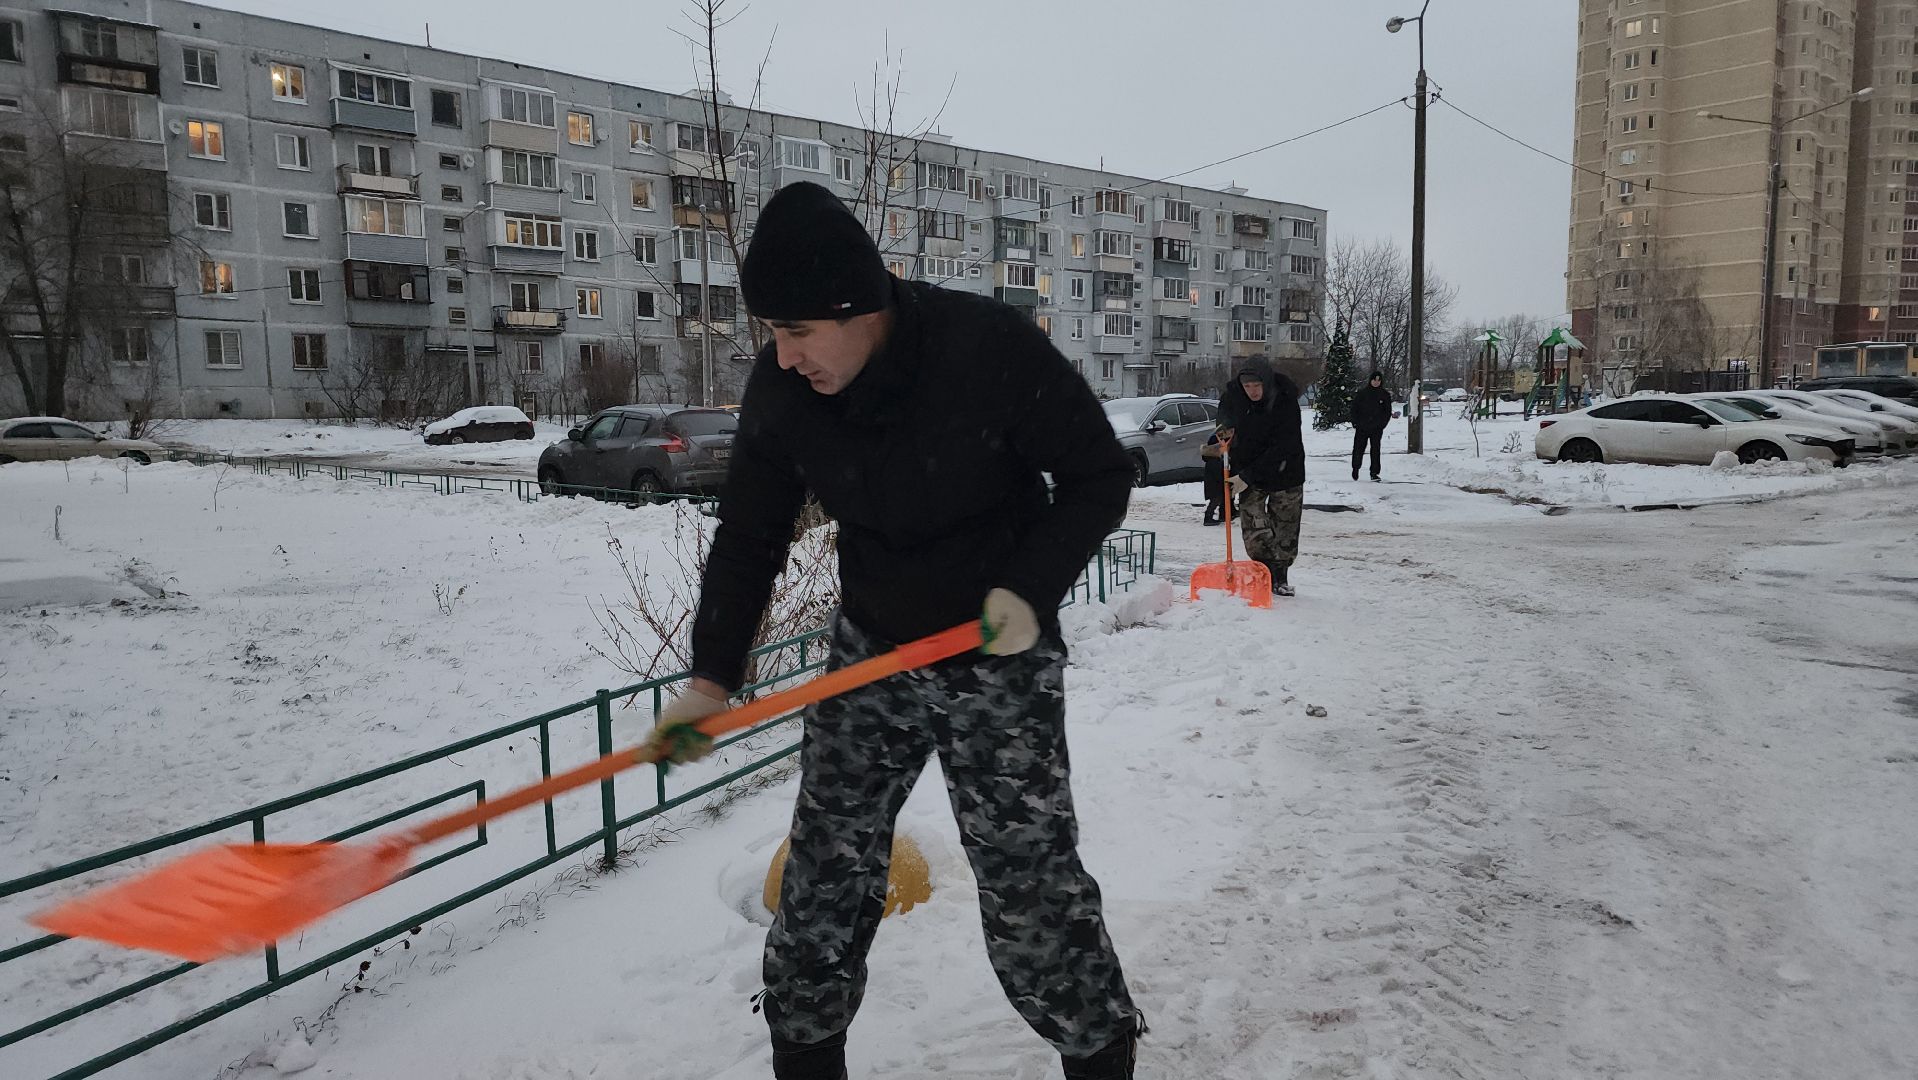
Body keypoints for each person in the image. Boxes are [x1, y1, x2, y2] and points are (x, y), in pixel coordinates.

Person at [650, 181, 1145, 1080]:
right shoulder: (785, 389)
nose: (784, 356)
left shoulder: (986, 351)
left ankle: (1098, 1059)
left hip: (995, 652)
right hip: (871, 650)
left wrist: (1029, 589)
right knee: (822, 886)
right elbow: (751, 532)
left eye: (799, 333)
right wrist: (711, 676)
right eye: (773, 333)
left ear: (859, 306)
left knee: (1032, 891)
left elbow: (1098, 477)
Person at [1218, 360, 1304, 597]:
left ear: (1266, 383)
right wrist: (1220, 442)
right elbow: (1225, 427)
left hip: (1286, 470)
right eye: (1248, 386)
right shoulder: (1233, 398)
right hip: (1249, 472)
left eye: (1257, 385)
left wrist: (1246, 476)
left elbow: (1284, 445)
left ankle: (1280, 577)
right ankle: (1265, 572)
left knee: (1285, 528)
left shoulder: (1285, 400)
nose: (1253, 391)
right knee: (1253, 528)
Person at [1351, 371, 1393, 482]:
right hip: (1362, 427)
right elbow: (1354, 409)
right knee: (1358, 449)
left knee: (1375, 450)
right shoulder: (1362, 393)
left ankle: (1374, 472)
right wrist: (1355, 422)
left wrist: (1382, 424)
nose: (1376, 382)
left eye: (1379, 380)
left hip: (1376, 428)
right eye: (1374, 380)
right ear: (1370, 380)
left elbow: (1387, 412)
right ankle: (1356, 468)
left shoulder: (1384, 395)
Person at [1201, 430, 1225, 525]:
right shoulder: (1214, 461)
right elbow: (1217, 474)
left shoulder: (1211, 459)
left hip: (1213, 484)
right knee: (1215, 500)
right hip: (1215, 485)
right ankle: (1208, 517)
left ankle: (1210, 516)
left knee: (1216, 500)